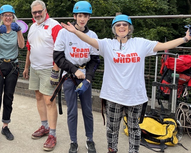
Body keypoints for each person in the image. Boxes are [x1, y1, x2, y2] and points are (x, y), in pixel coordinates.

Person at [61, 14, 191, 153]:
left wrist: (185, 39)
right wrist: (75, 32)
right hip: (113, 95)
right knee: (112, 128)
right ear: (114, 29)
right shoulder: (107, 44)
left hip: (135, 96)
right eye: (118, 25)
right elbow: (90, 40)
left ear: (130, 28)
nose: (121, 27)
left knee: (134, 128)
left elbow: (164, 45)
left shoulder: (140, 43)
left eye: (125, 24)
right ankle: (112, 150)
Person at [53, 1, 100, 153]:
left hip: (85, 77)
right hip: (69, 76)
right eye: (80, 15)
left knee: (87, 110)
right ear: (74, 16)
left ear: (89, 18)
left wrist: (88, 78)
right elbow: (58, 57)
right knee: (72, 111)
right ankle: (73, 142)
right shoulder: (64, 33)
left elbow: (94, 60)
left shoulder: (92, 36)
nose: (82, 19)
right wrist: (74, 70)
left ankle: (89, 139)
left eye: (85, 16)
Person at [23, 0, 62, 151]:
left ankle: (52, 134)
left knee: (49, 100)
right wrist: (26, 66)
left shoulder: (54, 25)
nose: (37, 14)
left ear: (45, 10)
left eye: (40, 11)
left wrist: (55, 70)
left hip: (48, 68)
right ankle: (44, 126)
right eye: (34, 12)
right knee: (38, 97)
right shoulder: (32, 27)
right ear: (32, 13)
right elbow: (29, 48)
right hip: (35, 68)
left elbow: (60, 49)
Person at [0, 4, 25, 146]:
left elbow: (21, 46)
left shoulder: (16, 30)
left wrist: (19, 31)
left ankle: (5, 126)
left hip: (12, 66)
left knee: (8, 97)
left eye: (10, 15)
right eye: (5, 15)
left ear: (13, 17)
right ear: (1, 17)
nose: (8, 17)